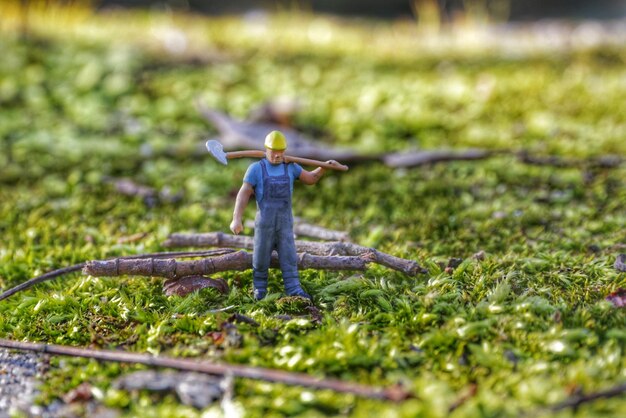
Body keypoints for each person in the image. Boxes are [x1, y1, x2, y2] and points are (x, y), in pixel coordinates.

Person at [230, 130, 338, 300]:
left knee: (288, 255)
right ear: (266, 150)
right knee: (260, 256)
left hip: (285, 223)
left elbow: (310, 179)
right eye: (273, 152)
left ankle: (293, 287)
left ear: (285, 151)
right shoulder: (256, 169)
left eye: (280, 152)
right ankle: (259, 287)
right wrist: (237, 218)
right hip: (265, 222)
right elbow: (243, 193)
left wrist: (322, 168)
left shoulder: (291, 167)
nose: (277, 156)